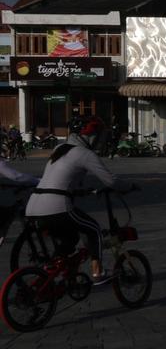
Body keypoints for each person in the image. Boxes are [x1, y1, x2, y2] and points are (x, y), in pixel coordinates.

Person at [25, 116, 133, 282]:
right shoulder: (84, 153)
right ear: (92, 136)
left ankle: (54, 271)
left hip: (33, 206)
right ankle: (98, 272)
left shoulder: (59, 149)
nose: (100, 141)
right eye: (99, 136)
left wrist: (82, 191)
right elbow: (111, 180)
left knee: (71, 238)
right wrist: (130, 186)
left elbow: (61, 180)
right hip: (56, 207)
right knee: (94, 230)